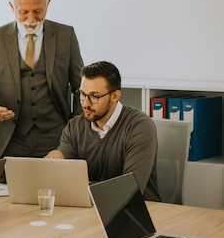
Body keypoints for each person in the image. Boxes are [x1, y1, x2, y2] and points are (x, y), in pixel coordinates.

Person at [0, 0, 83, 180]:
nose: (31, 19)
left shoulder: (66, 35)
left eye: (38, 11)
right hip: (11, 141)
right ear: (11, 6)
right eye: (23, 11)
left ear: (48, 3)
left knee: (57, 201)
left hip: (57, 139)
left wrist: (74, 128)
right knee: (9, 206)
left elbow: (80, 87)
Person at [45, 61, 161, 201]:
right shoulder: (75, 126)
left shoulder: (140, 127)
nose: (86, 103)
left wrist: (80, 187)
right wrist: (55, 164)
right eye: (82, 94)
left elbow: (129, 190)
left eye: (95, 96)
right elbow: (64, 182)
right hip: (89, 209)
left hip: (136, 212)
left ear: (115, 96)